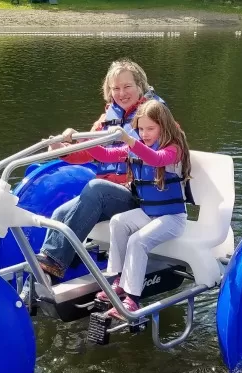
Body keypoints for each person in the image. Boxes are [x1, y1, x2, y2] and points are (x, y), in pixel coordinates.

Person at [34, 59, 164, 281]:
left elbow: (167, 146)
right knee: (59, 215)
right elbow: (85, 153)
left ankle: (56, 261)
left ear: (140, 86)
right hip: (110, 196)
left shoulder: (154, 116)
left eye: (127, 86)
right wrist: (63, 148)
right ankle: (47, 280)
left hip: (141, 197)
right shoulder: (107, 120)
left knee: (96, 189)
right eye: (116, 88)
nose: (121, 93)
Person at [76, 100, 191, 319]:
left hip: (172, 218)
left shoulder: (174, 150)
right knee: (118, 221)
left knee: (137, 241)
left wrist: (130, 140)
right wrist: (82, 141)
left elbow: (156, 159)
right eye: (140, 129)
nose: (144, 134)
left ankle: (132, 300)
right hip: (149, 214)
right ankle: (119, 280)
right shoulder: (136, 145)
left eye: (151, 129)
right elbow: (106, 155)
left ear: (164, 127)